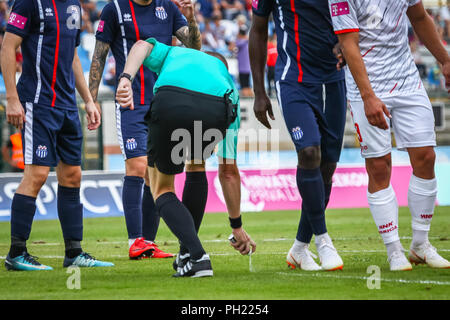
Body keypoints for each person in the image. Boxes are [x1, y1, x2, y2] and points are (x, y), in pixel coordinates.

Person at [116, 38, 256, 277]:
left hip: (172, 97)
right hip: (217, 106)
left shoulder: (177, 53)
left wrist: (126, 78)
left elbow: (141, 45)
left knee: (161, 188)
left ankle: (198, 256)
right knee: (197, 163)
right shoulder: (229, 87)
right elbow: (229, 172)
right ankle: (186, 255)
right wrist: (237, 226)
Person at [330, 0, 450, 270]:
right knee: (379, 165)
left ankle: (420, 245)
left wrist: (445, 60)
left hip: (407, 79)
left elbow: (419, 17)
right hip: (367, 84)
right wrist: (368, 96)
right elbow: (348, 43)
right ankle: (394, 250)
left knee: (426, 156)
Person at [2, 0, 113, 271]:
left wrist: (88, 99)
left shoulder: (74, 6)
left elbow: (72, 57)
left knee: (73, 176)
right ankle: (16, 253)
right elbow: (7, 47)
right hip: (38, 103)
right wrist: (12, 99)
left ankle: (74, 253)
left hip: (67, 105)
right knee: (37, 174)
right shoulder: (29, 3)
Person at [89, 0, 202, 260]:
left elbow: (195, 48)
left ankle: (148, 243)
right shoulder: (114, 9)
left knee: (158, 172)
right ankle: (135, 240)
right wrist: (91, 99)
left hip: (163, 101)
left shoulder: (169, 8)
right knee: (138, 166)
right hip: (130, 102)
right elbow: (99, 55)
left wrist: (191, 17)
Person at [249, 0, 346, 271]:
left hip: (334, 79)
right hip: (294, 80)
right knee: (309, 152)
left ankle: (299, 248)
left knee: (327, 166)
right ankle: (324, 241)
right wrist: (259, 91)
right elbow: (257, 29)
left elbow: (353, 20)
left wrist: (347, 43)